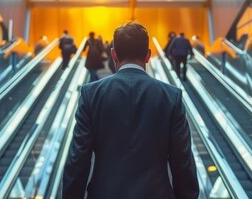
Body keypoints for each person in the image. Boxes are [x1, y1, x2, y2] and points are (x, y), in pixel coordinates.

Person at [62, 22, 198, 199]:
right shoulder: (171, 97)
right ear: (148, 55)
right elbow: (183, 162)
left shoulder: (91, 94)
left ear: (113, 55)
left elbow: (77, 160)